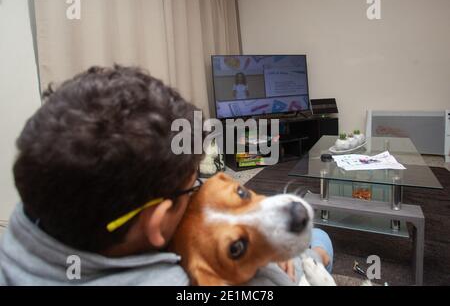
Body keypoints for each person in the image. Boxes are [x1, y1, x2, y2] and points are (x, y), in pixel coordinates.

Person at [0, 65, 332, 285]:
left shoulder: (35, 212)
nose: (198, 188)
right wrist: (298, 262)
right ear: (158, 221)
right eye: (193, 186)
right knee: (321, 241)